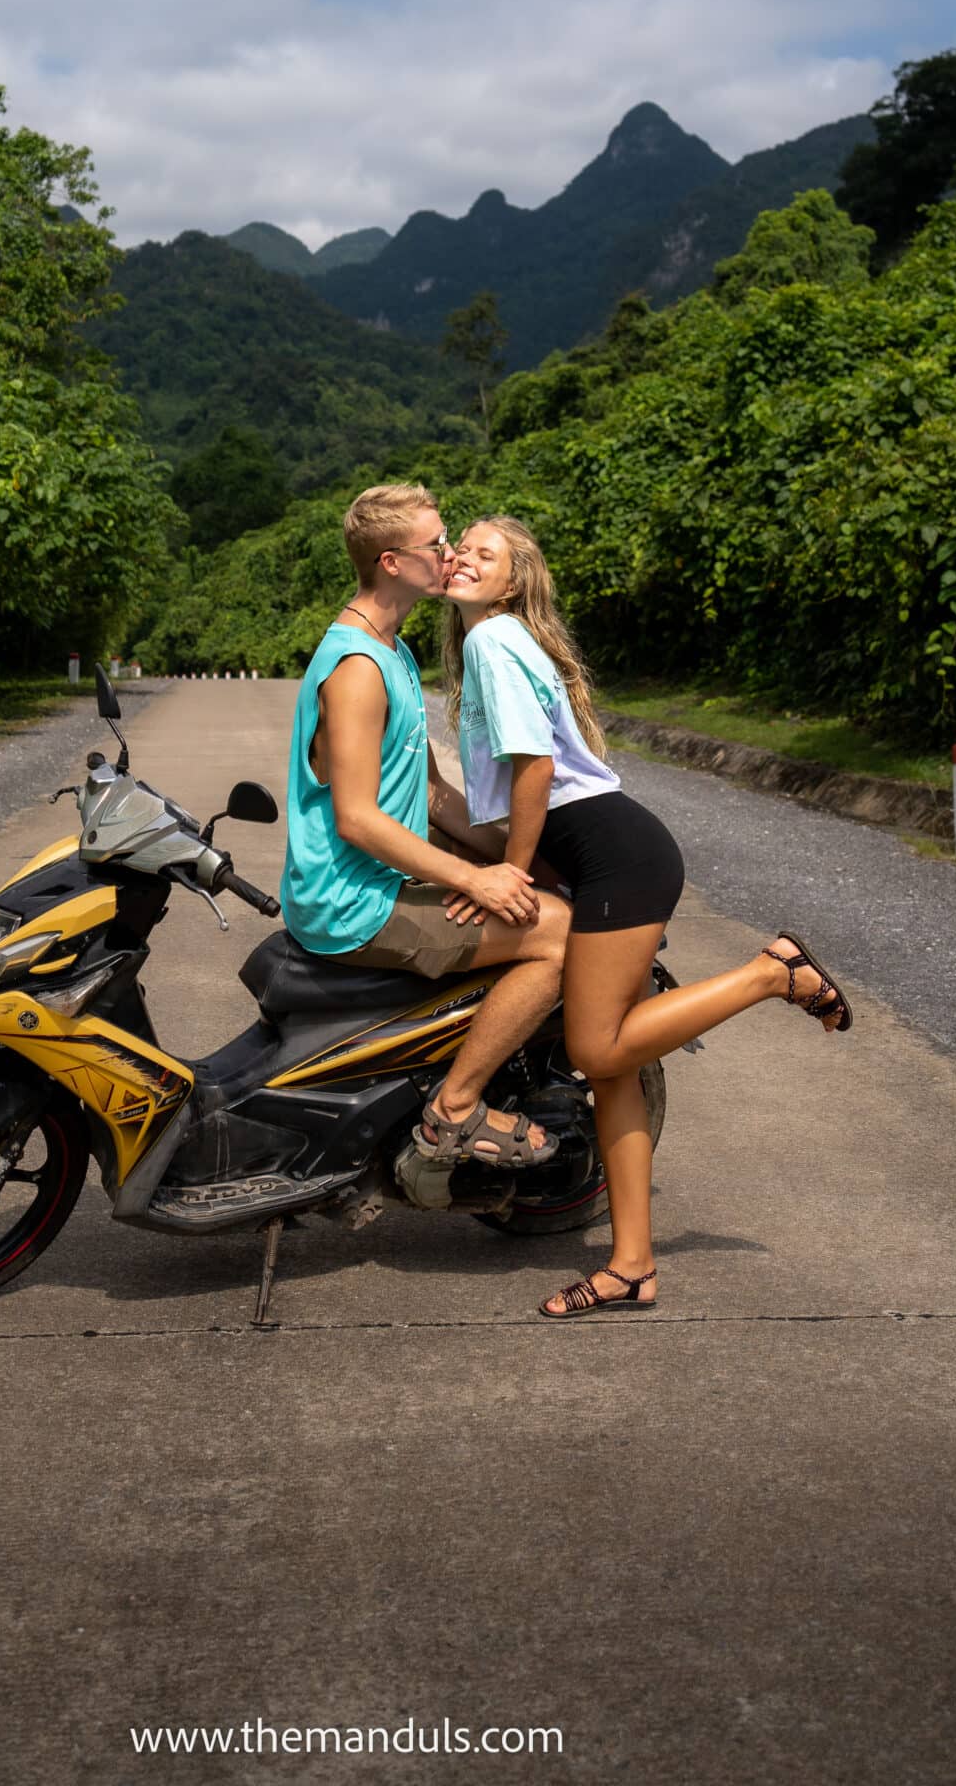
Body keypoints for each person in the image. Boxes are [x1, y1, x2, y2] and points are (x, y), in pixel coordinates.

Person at [442, 515, 854, 1318]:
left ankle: (772, 973)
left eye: (483, 553)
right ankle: (631, 1266)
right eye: (459, 545)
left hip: (613, 856)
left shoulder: (492, 641)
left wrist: (508, 875)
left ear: (513, 581)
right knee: (611, 1066)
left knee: (596, 1044)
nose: (462, 557)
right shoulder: (488, 642)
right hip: (607, 850)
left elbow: (533, 773)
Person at [279, 483, 571, 1168]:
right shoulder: (357, 668)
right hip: (354, 902)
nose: (448, 553)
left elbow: (433, 795)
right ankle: (455, 1108)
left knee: (545, 896)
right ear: (390, 562)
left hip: (375, 885)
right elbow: (356, 819)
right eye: (434, 545)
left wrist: (523, 861)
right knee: (556, 933)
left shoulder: (391, 649)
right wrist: (478, 878)